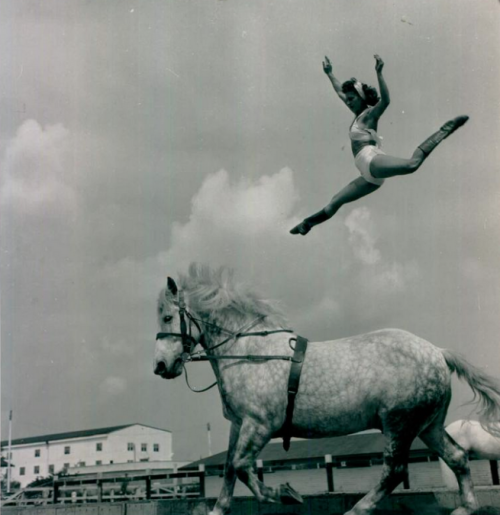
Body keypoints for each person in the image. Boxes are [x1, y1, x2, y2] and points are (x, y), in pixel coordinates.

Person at [290, 55, 469, 236]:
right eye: (348, 99)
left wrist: (379, 73)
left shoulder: (370, 115)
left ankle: (443, 131)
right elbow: (339, 92)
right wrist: (330, 73)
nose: (348, 101)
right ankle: (307, 224)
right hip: (368, 176)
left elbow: (386, 101)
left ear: (361, 98)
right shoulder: (357, 113)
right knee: (335, 201)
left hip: (370, 160)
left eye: (352, 98)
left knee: (412, 164)